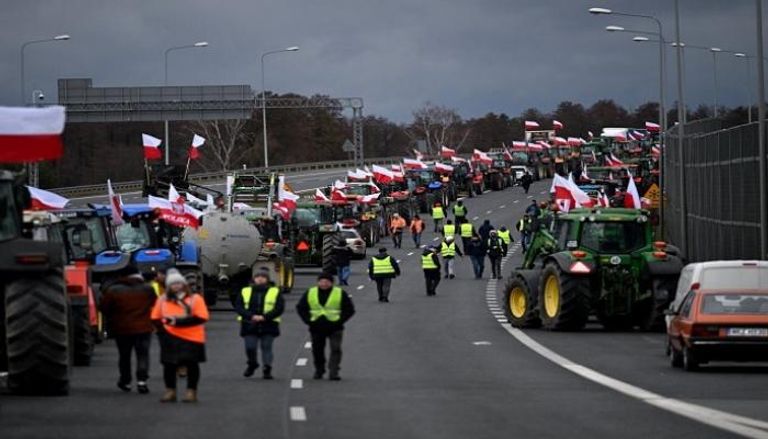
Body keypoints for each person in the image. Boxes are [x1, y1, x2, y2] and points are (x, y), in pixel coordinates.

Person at [151, 269, 209, 403]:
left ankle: (191, 392)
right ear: (168, 286)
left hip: (192, 337)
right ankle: (170, 391)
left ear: (184, 284)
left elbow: (202, 317)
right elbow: (155, 317)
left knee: (192, 365)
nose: (176, 286)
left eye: (179, 283)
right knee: (169, 365)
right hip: (170, 337)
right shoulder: (162, 300)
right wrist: (162, 331)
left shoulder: (195, 299)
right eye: (173, 284)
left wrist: (177, 322)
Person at [100, 266, 156, 394]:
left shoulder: (114, 290)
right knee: (142, 354)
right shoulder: (148, 289)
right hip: (144, 327)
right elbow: (155, 304)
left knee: (124, 356)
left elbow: (104, 308)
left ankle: (126, 381)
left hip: (122, 329)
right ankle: (142, 381)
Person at [296, 273, 355, 380]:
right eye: (322, 281)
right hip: (316, 327)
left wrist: (340, 321)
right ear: (318, 282)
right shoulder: (311, 292)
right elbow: (301, 308)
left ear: (331, 283)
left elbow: (349, 309)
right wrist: (308, 321)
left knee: (336, 349)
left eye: (327, 281)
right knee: (317, 350)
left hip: (335, 327)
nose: (324, 283)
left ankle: (334, 371)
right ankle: (319, 369)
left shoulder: (339, 293)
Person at [233, 270, 285, 380]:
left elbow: (279, 308)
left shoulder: (274, 291)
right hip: (249, 324)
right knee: (250, 347)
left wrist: (265, 317)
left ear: (267, 279)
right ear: (254, 279)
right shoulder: (245, 291)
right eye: (258, 277)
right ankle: (252, 364)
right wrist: (251, 316)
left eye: (263, 277)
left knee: (266, 347)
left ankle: (267, 369)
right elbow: (239, 307)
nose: (260, 279)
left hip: (269, 324)